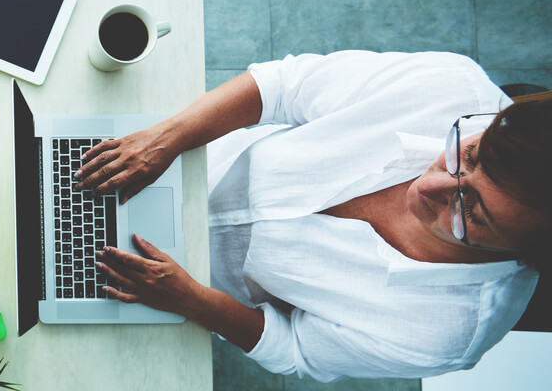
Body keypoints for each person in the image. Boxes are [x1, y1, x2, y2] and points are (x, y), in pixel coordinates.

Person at [74, 51, 549, 381]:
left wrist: (190, 300)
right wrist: (167, 138)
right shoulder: (451, 88)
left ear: (522, 253)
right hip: (185, 156)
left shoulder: (447, 338)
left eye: (472, 214)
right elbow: (285, 87)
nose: (431, 186)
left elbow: (296, 349)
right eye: (468, 155)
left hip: (183, 285)